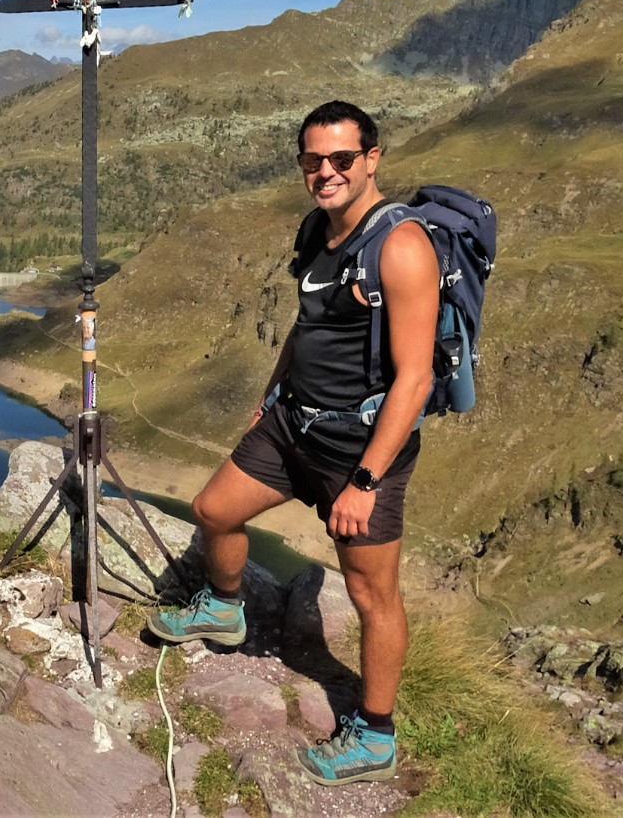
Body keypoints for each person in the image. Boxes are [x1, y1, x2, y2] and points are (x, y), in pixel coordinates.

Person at [149, 100, 439, 787]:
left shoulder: (399, 246)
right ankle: (223, 608)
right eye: (313, 160)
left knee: (374, 596)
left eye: (341, 158)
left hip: (358, 448)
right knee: (215, 510)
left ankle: (374, 734)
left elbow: (416, 378)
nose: (326, 171)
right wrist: (271, 395)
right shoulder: (318, 231)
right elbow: (308, 327)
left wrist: (365, 482)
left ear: (372, 159)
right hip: (292, 423)